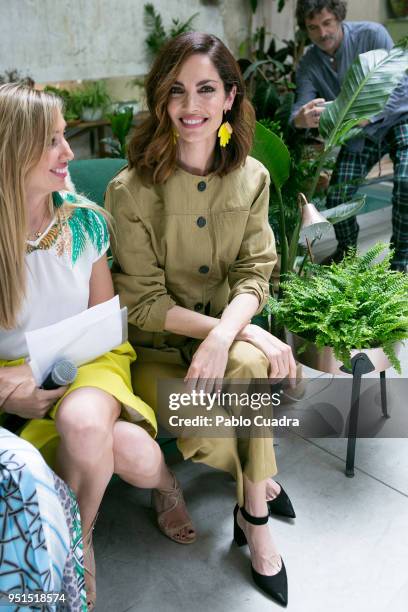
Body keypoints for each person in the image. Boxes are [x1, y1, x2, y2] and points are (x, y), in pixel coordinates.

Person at [105, 32, 299, 606]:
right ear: (161, 100)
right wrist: (232, 331)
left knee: (248, 363)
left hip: (218, 342)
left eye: (207, 89)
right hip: (159, 355)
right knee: (247, 373)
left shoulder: (253, 177)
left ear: (230, 97)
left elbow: (255, 273)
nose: (191, 107)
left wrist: (227, 333)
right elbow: (142, 304)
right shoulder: (130, 190)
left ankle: (255, 516)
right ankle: (259, 481)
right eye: (177, 91)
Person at [0, 83, 195, 611]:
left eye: (67, 137)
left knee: (85, 423)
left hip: (92, 362)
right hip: (18, 379)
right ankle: (165, 482)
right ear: (12, 150)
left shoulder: (83, 221)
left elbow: (104, 327)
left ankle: (72, 546)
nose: (70, 153)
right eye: (54, 141)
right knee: (130, 451)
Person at [292, 0, 408, 271]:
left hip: (398, 119)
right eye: (313, 27)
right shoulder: (309, 62)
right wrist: (301, 118)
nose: (322, 33)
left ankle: (402, 257)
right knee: (337, 196)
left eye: (327, 23)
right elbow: (299, 107)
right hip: (359, 133)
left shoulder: (373, 34)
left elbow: (402, 88)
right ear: (306, 30)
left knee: (405, 180)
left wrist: (370, 114)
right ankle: (346, 251)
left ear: (339, 17)